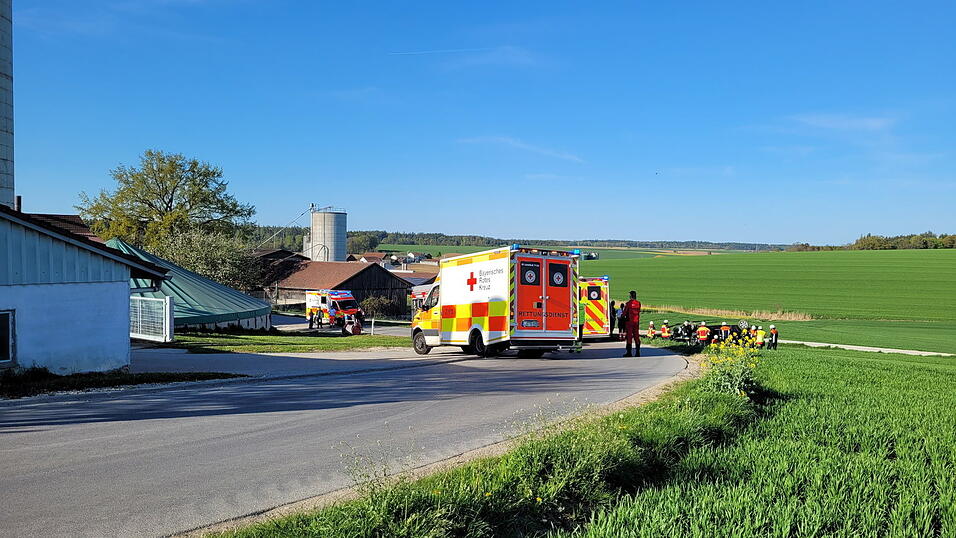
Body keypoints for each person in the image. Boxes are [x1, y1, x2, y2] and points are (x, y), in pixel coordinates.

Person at [623, 291, 642, 357]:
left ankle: (629, 352)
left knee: (629, 337)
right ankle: (637, 352)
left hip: (629, 322)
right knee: (636, 336)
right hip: (636, 322)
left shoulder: (628, 303)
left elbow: (625, 313)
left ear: (631, 296)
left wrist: (622, 317)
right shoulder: (638, 303)